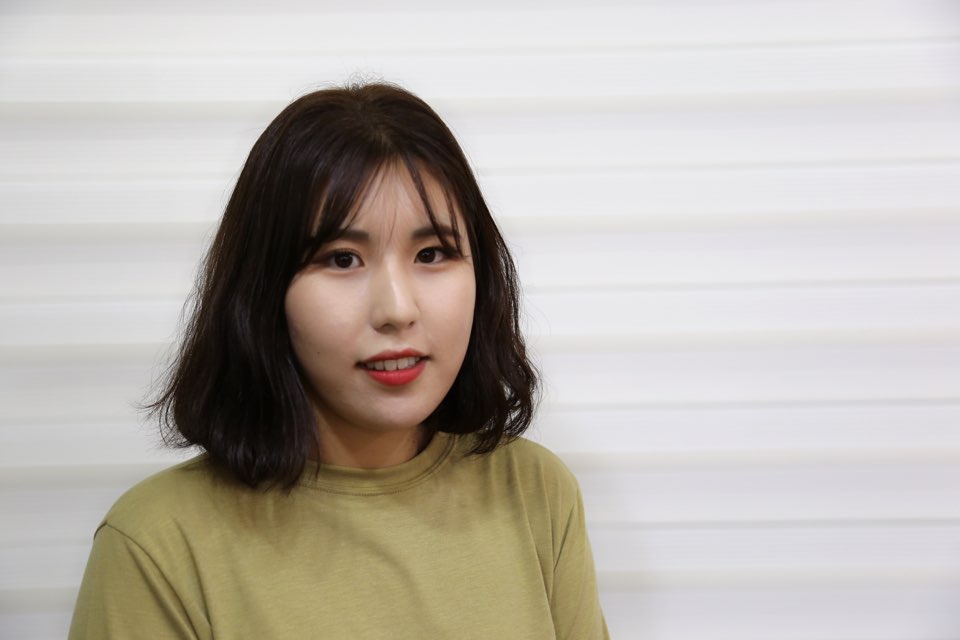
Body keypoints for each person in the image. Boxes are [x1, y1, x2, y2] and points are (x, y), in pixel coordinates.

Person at [69, 82, 609, 639]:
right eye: (342, 259)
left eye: (431, 254)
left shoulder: (537, 493)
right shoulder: (156, 545)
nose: (397, 310)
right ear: (264, 291)